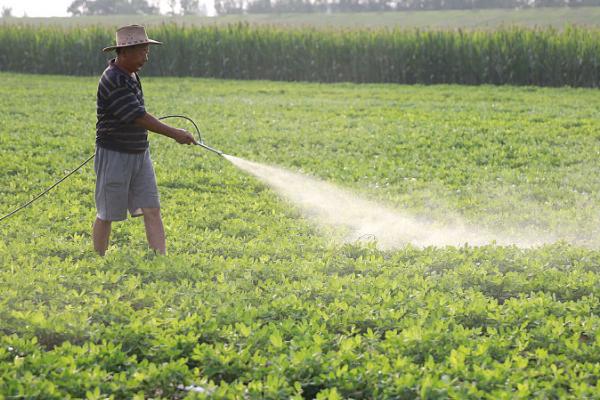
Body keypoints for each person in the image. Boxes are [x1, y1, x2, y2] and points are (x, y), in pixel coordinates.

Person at [93, 25, 196, 256]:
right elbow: (138, 116)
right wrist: (175, 133)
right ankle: (98, 259)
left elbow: (137, 114)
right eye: (142, 52)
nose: (146, 58)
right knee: (107, 212)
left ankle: (160, 257)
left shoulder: (131, 74)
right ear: (125, 52)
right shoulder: (113, 79)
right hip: (115, 154)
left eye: (147, 52)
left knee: (152, 207)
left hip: (140, 152)